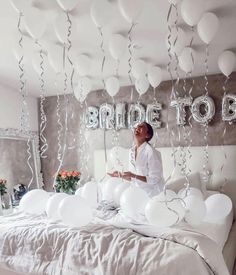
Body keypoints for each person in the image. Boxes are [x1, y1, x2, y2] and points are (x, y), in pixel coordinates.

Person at [108, 122, 164, 197]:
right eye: (137, 127)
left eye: (141, 127)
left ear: (147, 135)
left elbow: (154, 179)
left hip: (151, 194)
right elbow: (133, 178)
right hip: (136, 193)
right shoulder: (131, 151)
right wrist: (120, 175)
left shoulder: (151, 152)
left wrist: (133, 175)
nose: (137, 128)